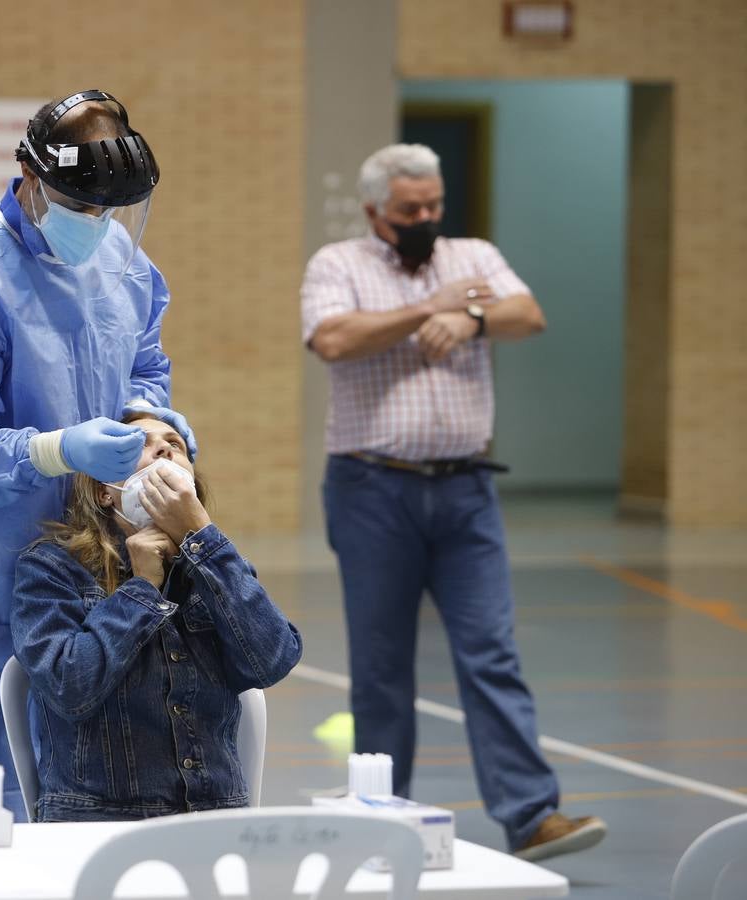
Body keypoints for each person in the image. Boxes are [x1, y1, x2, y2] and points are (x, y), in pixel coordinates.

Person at [0, 89, 196, 820]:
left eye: (108, 211)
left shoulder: (118, 257)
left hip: (91, 572)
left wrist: (146, 416)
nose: (95, 225)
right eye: (80, 207)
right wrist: (60, 449)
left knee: (84, 789)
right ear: (28, 176)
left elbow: (145, 360)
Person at [300, 143, 606, 862]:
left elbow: (527, 314)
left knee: (491, 652)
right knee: (381, 666)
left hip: (467, 490)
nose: (427, 218)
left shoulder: (473, 257)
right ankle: (381, 821)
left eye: (434, 204)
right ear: (376, 209)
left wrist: (470, 321)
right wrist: (423, 311)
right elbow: (333, 339)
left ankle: (532, 816)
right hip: (372, 488)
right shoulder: (336, 265)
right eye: (411, 210)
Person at [10, 413, 302, 821]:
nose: (165, 448)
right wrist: (143, 587)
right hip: (99, 821)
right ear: (104, 493)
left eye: (175, 444)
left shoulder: (217, 567)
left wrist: (201, 537)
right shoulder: (52, 567)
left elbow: (273, 659)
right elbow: (67, 687)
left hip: (212, 817)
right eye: (140, 444)